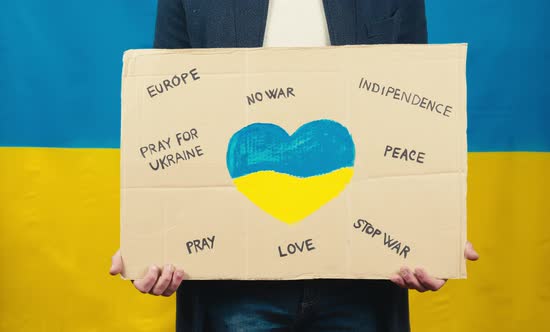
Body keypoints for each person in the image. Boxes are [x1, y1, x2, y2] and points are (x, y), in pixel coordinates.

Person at [110, 1, 479, 331]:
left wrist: (433, 234)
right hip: (234, 291)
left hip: (362, 282)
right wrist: (150, 243)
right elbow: (169, 113)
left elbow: (414, 116)